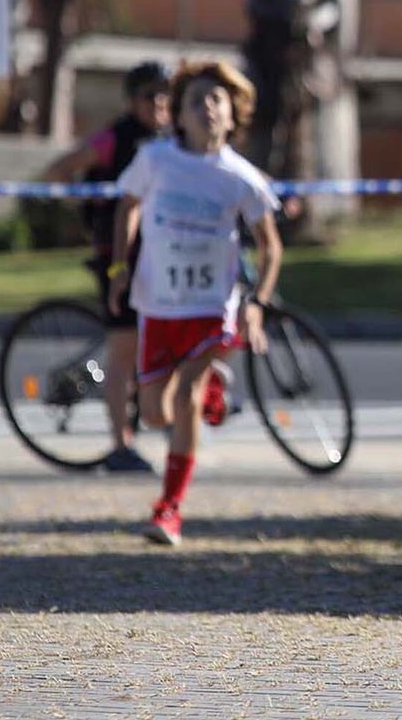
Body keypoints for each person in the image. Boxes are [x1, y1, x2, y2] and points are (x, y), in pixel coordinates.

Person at [106, 61, 283, 546]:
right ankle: (212, 393)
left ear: (232, 116)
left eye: (217, 100)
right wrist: (119, 269)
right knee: (156, 413)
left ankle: (169, 509)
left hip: (211, 307)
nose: (207, 107)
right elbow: (128, 206)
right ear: (177, 115)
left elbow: (272, 247)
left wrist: (257, 304)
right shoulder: (156, 161)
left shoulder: (240, 178)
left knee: (182, 401)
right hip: (159, 305)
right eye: (196, 100)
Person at [42, 60, 172, 472]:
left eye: (167, 94)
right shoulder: (116, 139)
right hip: (120, 259)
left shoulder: (172, 138)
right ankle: (120, 444)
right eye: (151, 95)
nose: (161, 103)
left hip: (162, 257)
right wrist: (82, 211)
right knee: (122, 350)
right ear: (133, 100)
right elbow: (59, 170)